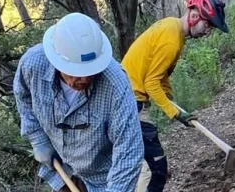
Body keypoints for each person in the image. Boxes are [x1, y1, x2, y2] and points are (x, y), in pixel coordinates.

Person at [13, 12, 144, 192]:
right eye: (74, 72)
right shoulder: (33, 64)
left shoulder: (116, 84)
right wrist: (37, 138)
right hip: (61, 170)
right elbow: (23, 97)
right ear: (57, 61)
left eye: (90, 71)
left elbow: (129, 151)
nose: (84, 79)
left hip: (104, 179)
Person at [121, 0, 230, 192]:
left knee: (146, 168)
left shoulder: (173, 28)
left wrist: (168, 94)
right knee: (155, 168)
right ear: (195, 16)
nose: (207, 32)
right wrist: (176, 113)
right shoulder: (172, 39)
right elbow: (151, 83)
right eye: (207, 25)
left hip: (131, 98)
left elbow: (156, 73)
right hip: (129, 103)